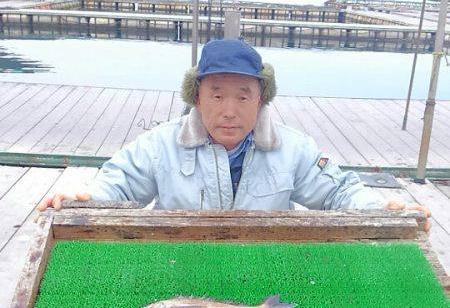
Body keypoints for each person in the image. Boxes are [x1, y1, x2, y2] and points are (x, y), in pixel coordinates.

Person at [39, 39, 430, 228]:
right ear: (196, 96)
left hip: (266, 268)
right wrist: (84, 198)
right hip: (178, 268)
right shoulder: (160, 145)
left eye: (244, 96)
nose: (229, 110)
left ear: (262, 100)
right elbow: (118, 185)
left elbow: (338, 192)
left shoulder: (293, 149)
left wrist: (380, 209)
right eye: (217, 94)